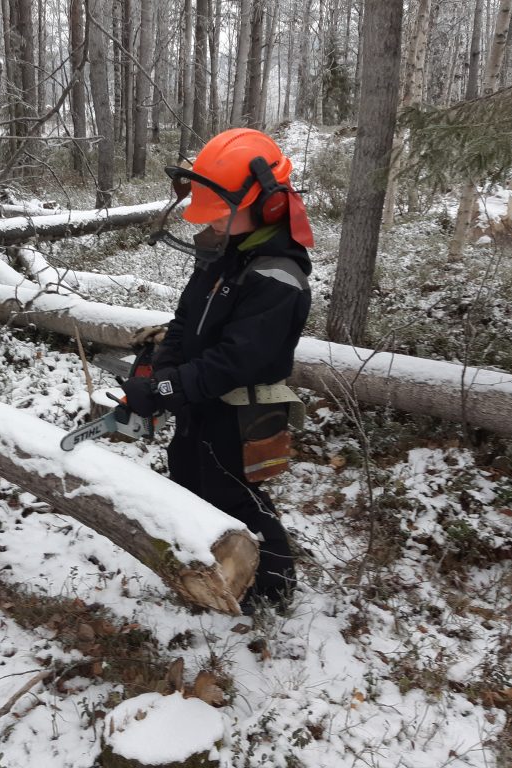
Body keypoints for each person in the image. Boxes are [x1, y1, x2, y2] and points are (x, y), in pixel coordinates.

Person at [122, 128, 314, 614]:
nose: (213, 223)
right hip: (200, 401)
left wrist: (172, 385)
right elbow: (185, 323)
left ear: (265, 204)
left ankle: (273, 589)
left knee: (234, 493)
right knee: (186, 478)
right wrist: (161, 372)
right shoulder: (221, 255)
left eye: (223, 212)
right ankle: (204, 570)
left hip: (242, 409)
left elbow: (239, 360)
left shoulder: (277, 275)